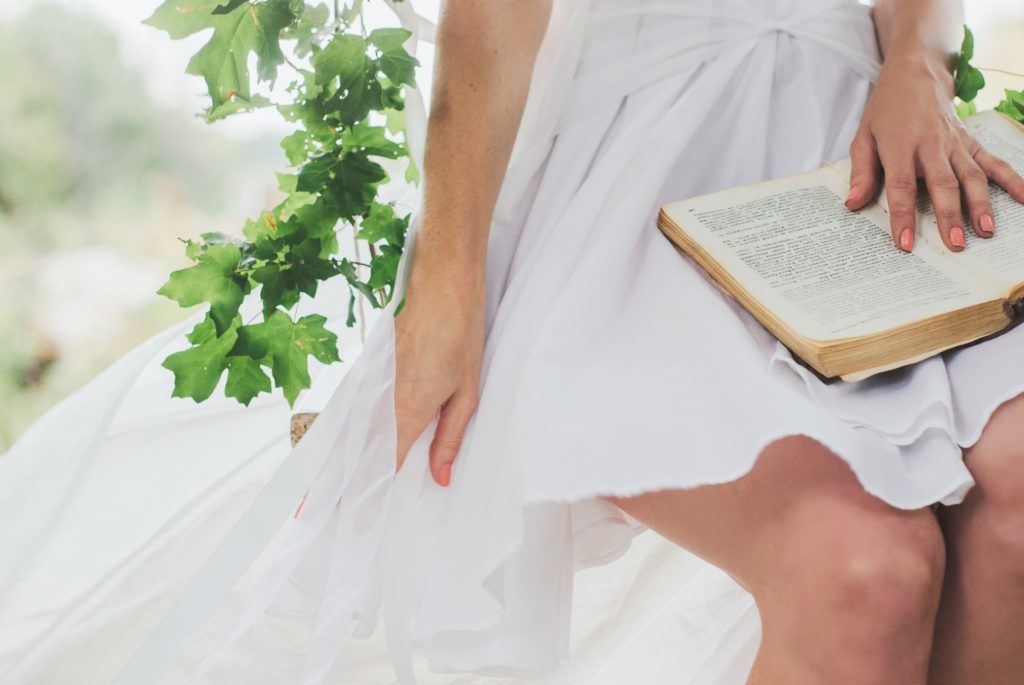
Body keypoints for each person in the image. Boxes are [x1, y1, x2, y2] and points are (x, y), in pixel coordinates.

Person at [2, 0, 1024, 683]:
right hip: (645, 163)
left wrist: (917, 67)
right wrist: (444, 279)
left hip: (875, 147)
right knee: (860, 571)